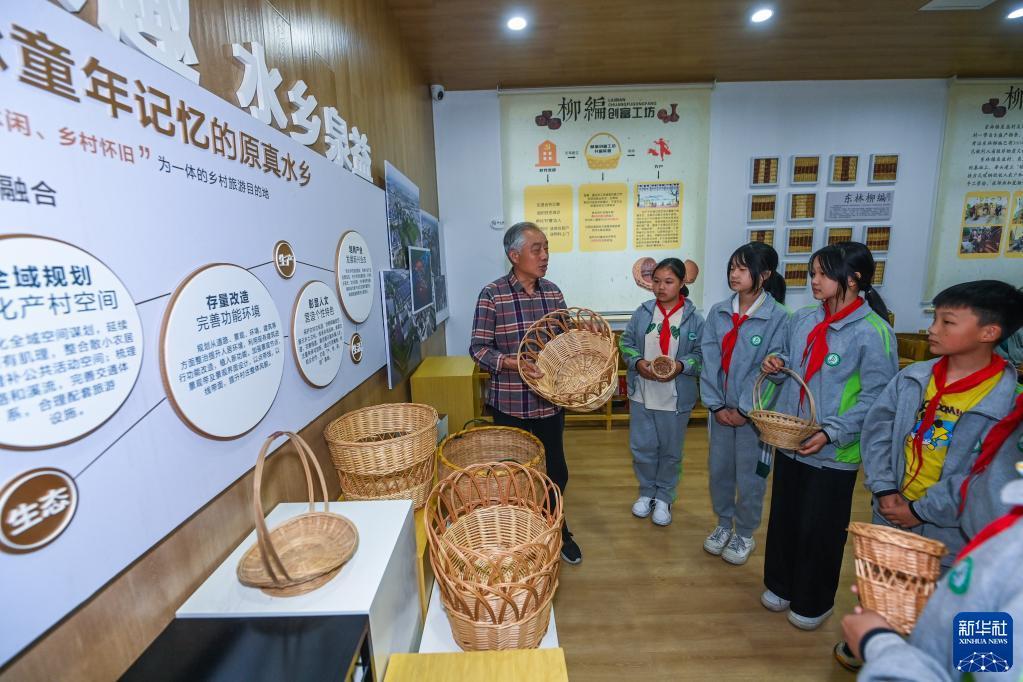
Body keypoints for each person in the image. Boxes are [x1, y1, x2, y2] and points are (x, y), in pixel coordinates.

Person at [760, 242, 899, 630]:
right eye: (812, 273)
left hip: (835, 452)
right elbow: (790, 360)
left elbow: (878, 398)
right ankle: (780, 584)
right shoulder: (804, 318)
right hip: (792, 440)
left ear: (853, 279)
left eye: (822, 274)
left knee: (820, 528)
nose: (814, 281)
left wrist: (832, 431)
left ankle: (814, 601)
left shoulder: (875, 332)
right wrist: (776, 364)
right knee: (785, 518)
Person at [840, 394, 1023, 679]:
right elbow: (979, 661)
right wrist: (941, 599)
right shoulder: (1004, 558)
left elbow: (985, 671)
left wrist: (876, 643)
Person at [862, 281, 1022, 561]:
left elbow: (986, 477)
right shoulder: (912, 378)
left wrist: (920, 511)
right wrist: (884, 487)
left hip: (950, 539)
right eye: (934, 318)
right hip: (890, 516)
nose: (933, 329)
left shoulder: (1010, 404)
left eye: (947, 322)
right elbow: (878, 430)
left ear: (989, 332)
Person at [469, 222, 582, 564]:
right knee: (514, 475)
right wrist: (512, 363)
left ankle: (556, 528)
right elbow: (478, 349)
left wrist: (582, 332)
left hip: (549, 401)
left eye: (546, 248)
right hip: (510, 403)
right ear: (514, 255)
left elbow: (566, 339)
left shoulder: (553, 293)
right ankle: (520, 535)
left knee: (556, 471)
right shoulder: (492, 295)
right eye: (537, 249)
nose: (545, 255)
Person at [699, 242, 790, 565]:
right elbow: (709, 359)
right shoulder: (719, 312)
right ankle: (724, 524)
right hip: (720, 413)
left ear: (763, 275)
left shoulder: (779, 317)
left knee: (751, 476)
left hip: (754, 417)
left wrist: (743, 409)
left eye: (742, 268)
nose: (734, 274)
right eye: (732, 268)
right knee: (720, 471)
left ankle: (745, 532)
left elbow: (771, 369)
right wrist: (715, 405)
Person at [619, 258, 704, 526]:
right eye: (656, 281)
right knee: (642, 447)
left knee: (670, 450)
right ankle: (646, 492)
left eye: (668, 281)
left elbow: (702, 354)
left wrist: (681, 366)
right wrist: (637, 363)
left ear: (682, 283)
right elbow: (626, 342)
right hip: (643, 393)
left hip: (676, 397)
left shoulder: (694, 319)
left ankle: (665, 497)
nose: (660, 287)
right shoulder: (643, 312)